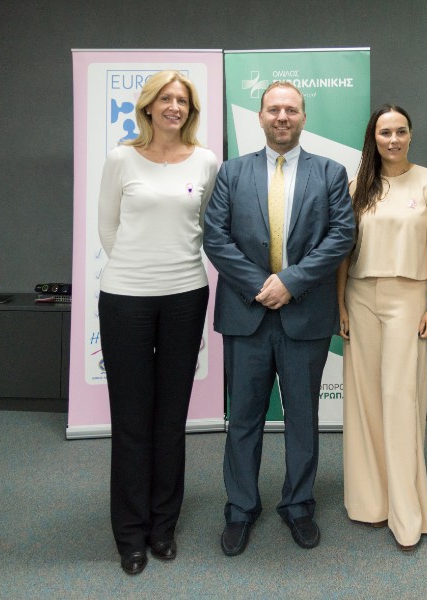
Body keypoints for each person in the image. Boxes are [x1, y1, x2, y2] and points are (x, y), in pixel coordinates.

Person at [203, 81, 355, 556]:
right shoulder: (232, 172)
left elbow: (341, 235)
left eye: (291, 109)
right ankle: (240, 508)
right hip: (245, 314)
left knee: (303, 418)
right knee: (243, 418)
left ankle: (299, 505)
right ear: (260, 117)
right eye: (273, 109)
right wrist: (260, 285)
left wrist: (290, 281)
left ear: (304, 117)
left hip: (304, 314)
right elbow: (215, 236)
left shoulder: (330, 173)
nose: (282, 117)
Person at [97, 70, 219, 575]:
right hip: (125, 299)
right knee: (131, 420)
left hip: (186, 296)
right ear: (148, 106)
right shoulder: (121, 158)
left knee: (171, 418)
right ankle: (130, 533)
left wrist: (168, 270)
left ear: (191, 110)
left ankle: (163, 526)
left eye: (183, 101)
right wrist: (138, 270)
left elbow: (206, 224)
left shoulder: (206, 160)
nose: (174, 107)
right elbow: (108, 227)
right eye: (166, 99)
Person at [337, 105, 427, 551]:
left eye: (400, 131)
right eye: (385, 132)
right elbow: (344, 249)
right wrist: (339, 303)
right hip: (359, 296)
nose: (393, 139)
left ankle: (407, 513)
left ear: (410, 136)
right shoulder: (358, 185)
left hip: (408, 298)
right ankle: (371, 503)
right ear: (373, 137)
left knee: (401, 400)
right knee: (365, 402)